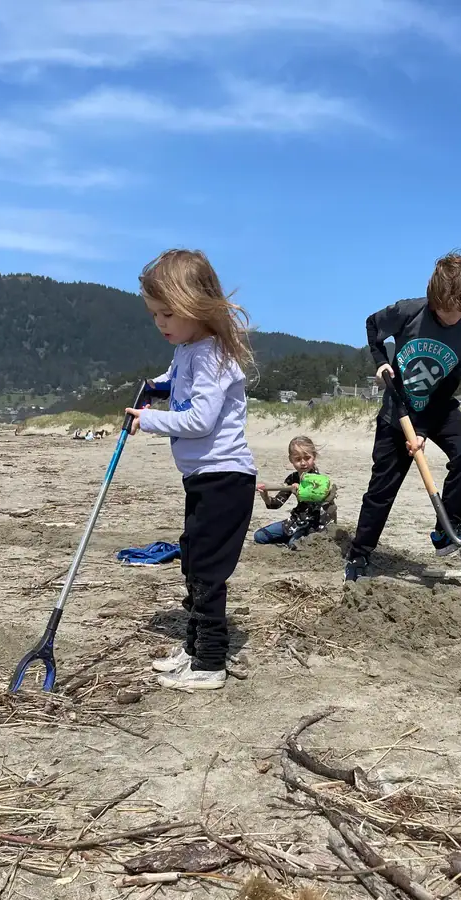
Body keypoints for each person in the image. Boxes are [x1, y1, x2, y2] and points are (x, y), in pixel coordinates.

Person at [124, 248, 256, 692]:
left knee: (208, 570)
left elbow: (200, 420)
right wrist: (155, 389)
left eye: (167, 313)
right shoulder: (186, 350)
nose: (160, 323)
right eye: (154, 314)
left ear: (196, 307)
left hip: (226, 477)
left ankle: (210, 664)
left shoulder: (212, 355)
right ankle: (194, 645)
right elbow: (171, 380)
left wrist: (150, 420)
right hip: (202, 478)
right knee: (193, 559)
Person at [345, 251, 461, 582]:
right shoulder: (409, 311)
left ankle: (447, 528)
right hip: (397, 409)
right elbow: (372, 326)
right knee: (383, 488)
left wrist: (423, 429)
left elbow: (450, 384)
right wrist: (381, 361)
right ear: (433, 296)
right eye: (446, 311)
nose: (453, 317)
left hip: (437, 405)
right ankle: (358, 555)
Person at [254, 435, 337, 548]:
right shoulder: (292, 478)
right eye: (298, 459)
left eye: (307, 458)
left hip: (313, 523)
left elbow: (321, 501)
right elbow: (275, 504)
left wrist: (301, 491)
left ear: (314, 457)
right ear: (291, 460)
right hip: (296, 521)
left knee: (294, 545)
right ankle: (292, 535)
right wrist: (265, 495)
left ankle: (297, 538)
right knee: (259, 536)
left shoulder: (319, 480)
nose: (303, 463)